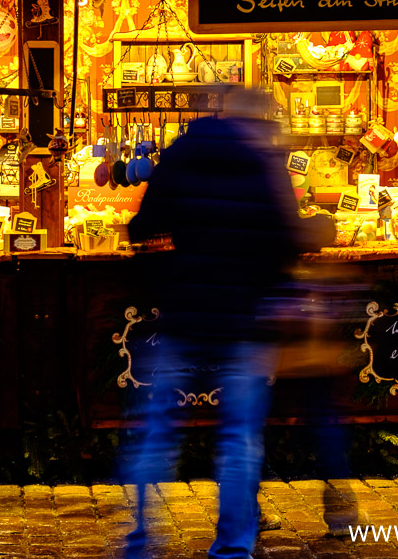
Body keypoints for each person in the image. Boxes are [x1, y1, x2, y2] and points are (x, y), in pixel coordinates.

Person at [123, 86, 301, 559]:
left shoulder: (181, 153)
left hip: (183, 314)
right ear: (259, 121)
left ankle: (140, 540)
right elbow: (287, 240)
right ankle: (233, 547)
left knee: (157, 432)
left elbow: (142, 229)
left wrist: (165, 281)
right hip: (244, 322)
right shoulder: (267, 165)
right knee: (240, 439)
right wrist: (270, 292)